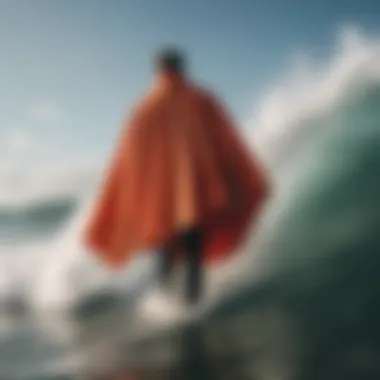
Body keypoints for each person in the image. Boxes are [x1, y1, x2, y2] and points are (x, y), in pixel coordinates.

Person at [83, 47, 270, 305]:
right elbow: (226, 142)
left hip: (158, 200)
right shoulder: (201, 100)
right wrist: (235, 180)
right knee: (193, 248)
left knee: (163, 250)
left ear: (158, 70)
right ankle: (192, 304)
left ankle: (164, 304)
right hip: (192, 194)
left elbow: (127, 161)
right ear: (182, 68)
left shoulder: (143, 109)